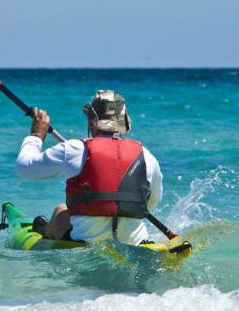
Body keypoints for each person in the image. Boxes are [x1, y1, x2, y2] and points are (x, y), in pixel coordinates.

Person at [15, 90, 162, 246]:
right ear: (125, 122)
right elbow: (150, 203)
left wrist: (36, 136)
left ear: (91, 122)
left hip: (86, 243)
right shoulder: (147, 156)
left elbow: (23, 167)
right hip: (135, 243)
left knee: (61, 211)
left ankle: (45, 229)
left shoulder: (73, 149)